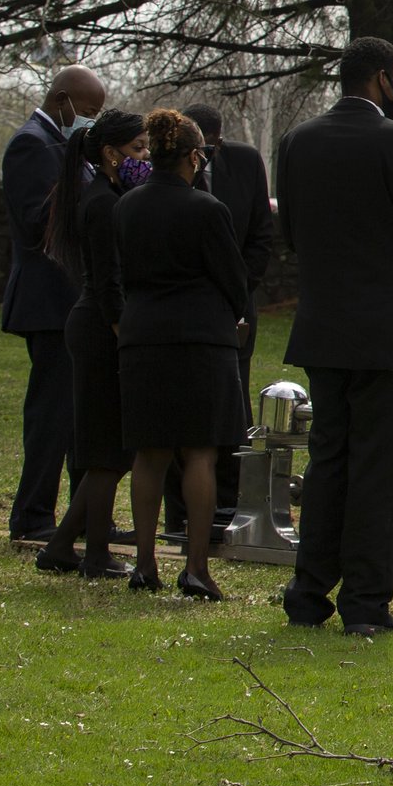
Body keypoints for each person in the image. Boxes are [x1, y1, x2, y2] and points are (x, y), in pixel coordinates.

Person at [277, 37, 393, 635]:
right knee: (380, 468)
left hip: (325, 326)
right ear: (382, 78)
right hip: (388, 330)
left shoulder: (297, 142)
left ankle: (308, 591)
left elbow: (292, 233)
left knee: (329, 460)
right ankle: (366, 600)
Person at [112, 108, 250, 601]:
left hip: (144, 333)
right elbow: (233, 280)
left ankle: (144, 564)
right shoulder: (207, 210)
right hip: (200, 337)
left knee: (149, 453)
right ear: (194, 157)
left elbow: (123, 273)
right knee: (199, 453)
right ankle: (195, 568)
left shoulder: (127, 206)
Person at [35, 109, 148, 579]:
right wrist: (124, 335)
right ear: (109, 154)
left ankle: (64, 546)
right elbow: (107, 281)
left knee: (111, 451)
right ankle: (92, 551)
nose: (144, 157)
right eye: (137, 149)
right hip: (102, 329)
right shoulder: (103, 202)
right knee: (106, 451)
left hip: (100, 324)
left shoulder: (113, 195)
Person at [0, 63, 109, 542]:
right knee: (51, 413)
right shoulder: (32, 144)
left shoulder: (67, 147)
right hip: (49, 300)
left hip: (74, 299)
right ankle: (33, 517)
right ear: (61, 99)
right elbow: (37, 221)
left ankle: (81, 516)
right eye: (87, 112)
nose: (89, 120)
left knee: (78, 414)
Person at [170, 103, 276, 535]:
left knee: (234, 404)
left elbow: (259, 235)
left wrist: (238, 288)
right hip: (186, 306)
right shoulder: (170, 177)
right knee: (181, 409)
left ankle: (230, 502)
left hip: (234, 304)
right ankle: (180, 509)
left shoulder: (246, 162)